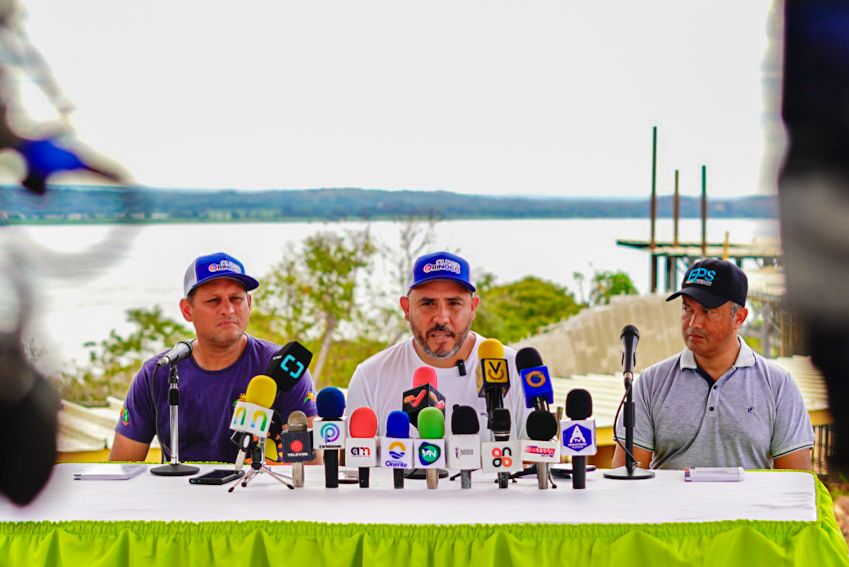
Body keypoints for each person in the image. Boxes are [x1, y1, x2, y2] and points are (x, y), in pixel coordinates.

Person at [110, 252, 318, 463]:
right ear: (187, 310)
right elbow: (121, 467)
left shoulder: (287, 367)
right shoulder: (157, 372)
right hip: (180, 486)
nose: (228, 310)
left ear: (249, 303)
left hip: (261, 485)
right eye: (213, 300)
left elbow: (311, 467)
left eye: (236, 299)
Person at [613, 259, 814, 470]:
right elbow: (627, 477)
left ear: (739, 318)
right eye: (687, 309)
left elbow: (795, 480)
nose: (693, 323)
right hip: (668, 495)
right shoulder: (651, 383)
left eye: (707, 311)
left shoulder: (778, 386)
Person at [346, 251, 529, 439]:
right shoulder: (370, 377)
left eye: (454, 303)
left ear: (473, 307)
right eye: (428, 303)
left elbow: (535, 453)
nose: (441, 318)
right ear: (407, 308)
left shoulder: (514, 369)